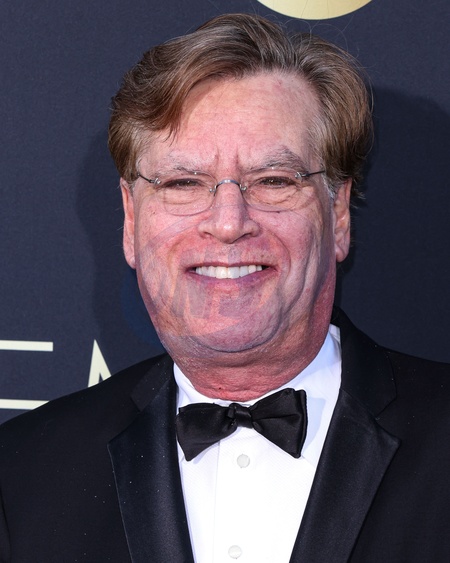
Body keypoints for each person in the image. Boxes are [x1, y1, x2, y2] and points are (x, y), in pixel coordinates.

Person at [0, 13, 449, 563]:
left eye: (274, 180)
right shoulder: (22, 474)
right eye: (184, 183)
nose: (229, 222)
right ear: (130, 219)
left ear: (337, 214)